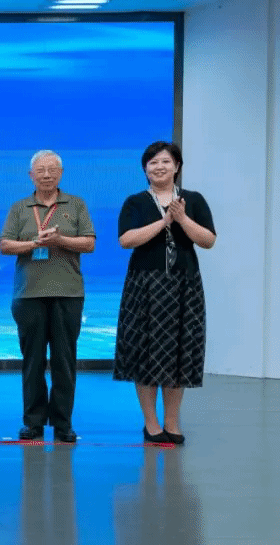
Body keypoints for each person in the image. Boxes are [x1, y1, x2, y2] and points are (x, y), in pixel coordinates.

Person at [114, 141, 215, 445]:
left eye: (165, 162)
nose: (159, 167)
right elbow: (126, 240)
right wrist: (164, 221)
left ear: (177, 166)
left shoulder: (193, 200)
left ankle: (172, 421)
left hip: (184, 285)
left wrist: (182, 218)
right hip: (144, 284)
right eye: (153, 163)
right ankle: (151, 423)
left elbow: (208, 240)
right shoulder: (135, 202)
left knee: (179, 352)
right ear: (145, 169)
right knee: (144, 352)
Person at [0, 150, 96, 443]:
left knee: (65, 360)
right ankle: (33, 422)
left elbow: (89, 243)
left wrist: (60, 240)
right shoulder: (19, 207)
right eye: (40, 170)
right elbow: (5, 245)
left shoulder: (76, 204)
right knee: (33, 361)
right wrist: (33, 243)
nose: (46, 174)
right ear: (31, 175)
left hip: (68, 293)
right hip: (29, 294)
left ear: (61, 173)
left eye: (52, 169)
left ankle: (63, 423)